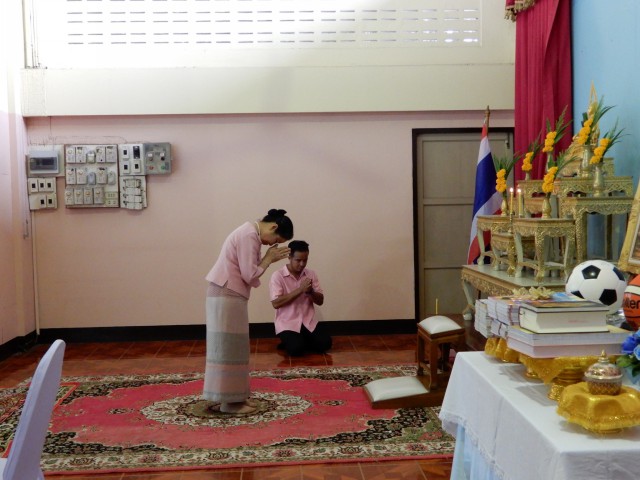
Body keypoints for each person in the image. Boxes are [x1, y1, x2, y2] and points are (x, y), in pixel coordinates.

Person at [204, 208, 293, 414]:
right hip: (226, 294)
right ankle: (229, 403)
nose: (271, 245)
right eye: (275, 240)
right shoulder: (249, 235)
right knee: (228, 348)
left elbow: (249, 272)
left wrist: (267, 258)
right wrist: (268, 259)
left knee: (235, 347)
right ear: (273, 226)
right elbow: (249, 275)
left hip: (228, 294)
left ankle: (236, 397)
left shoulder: (250, 233)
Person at [269, 240, 332, 356]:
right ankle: (293, 342)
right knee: (296, 350)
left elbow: (320, 301)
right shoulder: (277, 276)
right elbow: (276, 303)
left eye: (305, 260)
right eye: (298, 260)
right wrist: (300, 290)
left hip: (308, 321)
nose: (302, 264)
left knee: (326, 344)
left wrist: (311, 292)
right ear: (289, 257)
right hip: (287, 323)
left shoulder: (311, 274)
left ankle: (298, 341)